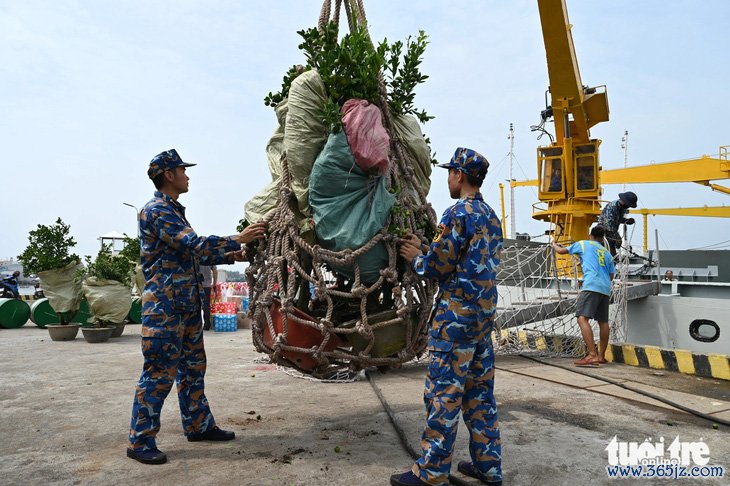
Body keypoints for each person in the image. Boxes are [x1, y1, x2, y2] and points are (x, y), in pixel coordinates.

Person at [127, 149, 267, 465]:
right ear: (168, 175)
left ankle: (198, 425)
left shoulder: (174, 210)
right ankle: (139, 442)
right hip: (165, 310)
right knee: (159, 373)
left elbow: (191, 254)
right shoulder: (157, 211)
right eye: (182, 170)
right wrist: (236, 238)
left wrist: (231, 255)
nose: (187, 175)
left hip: (186, 307)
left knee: (193, 370)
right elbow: (193, 244)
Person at [393, 147, 504, 486]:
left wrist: (416, 257)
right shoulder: (489, 215)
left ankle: (431, 472)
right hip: (482, 318)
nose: (448, 179)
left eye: (449, 173)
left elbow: (438, 267)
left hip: (455, 320)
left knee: (443, 394)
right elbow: (465, 262)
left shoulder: (456, 213)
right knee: (479, 395)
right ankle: (489, 467)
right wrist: (427, 249)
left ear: (459, 175)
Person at [552, 226, 615, 367]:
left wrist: (554, 245)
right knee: (603, 322)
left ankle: (592, 354)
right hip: (605, 289)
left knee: (582, 318)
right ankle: (601, 356)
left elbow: (562, 251)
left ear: (590, 235)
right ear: (602, 237)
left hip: (591, 285)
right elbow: (611, 275)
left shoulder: (583, 244)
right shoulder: (607, 253)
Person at [596, 191, 637, 256]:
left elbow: (617, 219)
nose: (628, 207)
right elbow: (608, 225)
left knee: (614, 249)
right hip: (603, 232)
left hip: (611, 232)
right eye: (628, 205)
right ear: (624, 202)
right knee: (611, 249)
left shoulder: (622, 208)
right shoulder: (612, 207)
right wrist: (616, 238)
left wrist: (627, 221)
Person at [200, 265, 217, 331]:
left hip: (197, 284)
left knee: (196, 304)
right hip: (207, 285)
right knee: (206, 304)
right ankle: (207, 325)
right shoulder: (210, 256)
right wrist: (214, 283)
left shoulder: (195, 255)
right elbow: (215, 271)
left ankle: (196, 325)